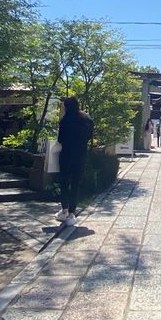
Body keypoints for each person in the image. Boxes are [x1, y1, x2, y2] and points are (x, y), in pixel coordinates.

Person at [55, 96, 94, 227]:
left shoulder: (65, 120)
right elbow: (89, 136)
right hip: (81, 155)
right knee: (76, 184)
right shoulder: (86, 119)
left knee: (64, 182)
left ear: (66, 107)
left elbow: (60, 139)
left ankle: (64, 210)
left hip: (66, 155)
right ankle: (72, 214)